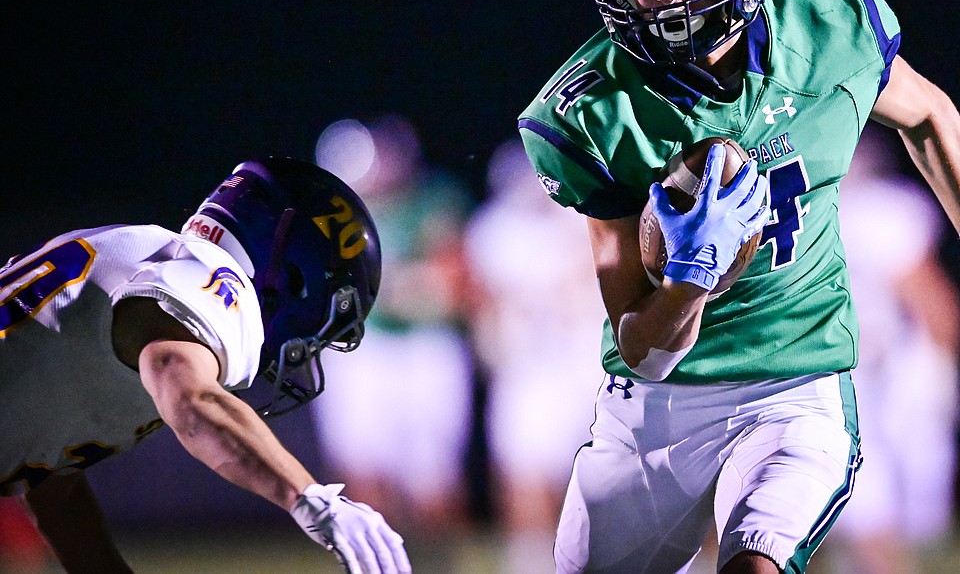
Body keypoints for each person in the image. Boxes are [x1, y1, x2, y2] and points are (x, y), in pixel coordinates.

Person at [516, 0, 960, 574]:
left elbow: (926, 113)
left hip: (797, 383)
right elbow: (642, 355)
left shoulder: (828, 13)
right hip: (657, 408)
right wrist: (689, 282)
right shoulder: (586, 113)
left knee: (756, 563)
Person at [0, 156, 412, 574]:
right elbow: (192, 401)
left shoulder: (154, 257)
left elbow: (54, 480)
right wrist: (309, 498)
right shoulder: (211, 279)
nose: (310, 346)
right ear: (292, 274)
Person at [310, 115, 481, 542]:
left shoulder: (433, 200)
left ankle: (436, 567)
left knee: (434, 482)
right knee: (361, 478)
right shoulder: (326, 218)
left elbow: (454, 283)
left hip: (424, 348)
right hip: (359, 352)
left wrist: (403, 287)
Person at [812, 126, 960, 574]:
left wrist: (938, 368)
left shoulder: (878, 213)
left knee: (871, 514)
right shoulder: (788, 212)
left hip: (866, 380)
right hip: (813, 375)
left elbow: (932, 297)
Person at [462, 138, 607, 574]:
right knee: (523, 480)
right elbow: (481, 302)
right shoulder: (494, 229)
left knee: (607, 482)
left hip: (587, 366)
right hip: (529, 371)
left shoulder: (587, 217)